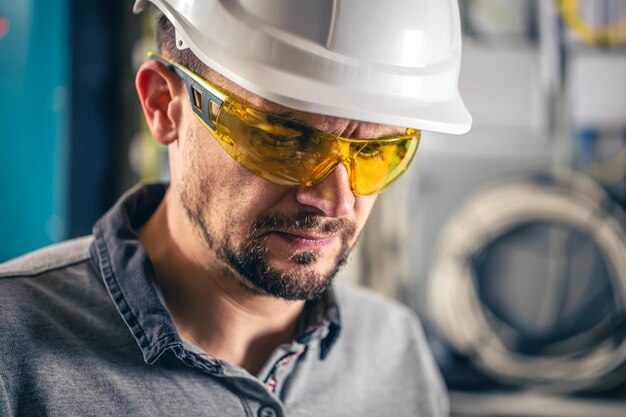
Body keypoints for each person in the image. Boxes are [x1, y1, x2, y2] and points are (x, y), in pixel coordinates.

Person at [0, 0, 471, 416]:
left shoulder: (394, 351)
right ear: (164, 106)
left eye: (377, 152)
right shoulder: (13, 351)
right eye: (283, 140)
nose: (337, 199)